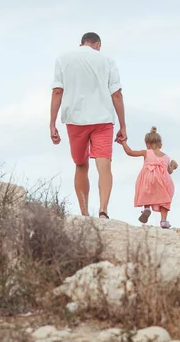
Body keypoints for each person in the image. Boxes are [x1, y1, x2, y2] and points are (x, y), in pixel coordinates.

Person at [49, 32, 127, 219]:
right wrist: (123, 125)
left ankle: (84, 213)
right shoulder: (107, 60)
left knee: (81, 165)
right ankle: (103, 211)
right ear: (98, 44)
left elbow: (58, 91)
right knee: (104, 165)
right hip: (103, 119)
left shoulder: (63, 59)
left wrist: (52, 123)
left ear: (81, 44)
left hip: (75, 120)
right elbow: (116, 94)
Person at [120, 126, 178, 229]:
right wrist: (172, 166)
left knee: (147, 192)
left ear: (147, 144)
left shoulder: (146, 152)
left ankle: (146, 208)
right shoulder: (166, 157)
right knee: (165, 199)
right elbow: (169, 171)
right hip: (163, 180)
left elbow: (130, 152)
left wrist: (123, 143)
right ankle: (164, 221)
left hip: (148, 177)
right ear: (160, 144)